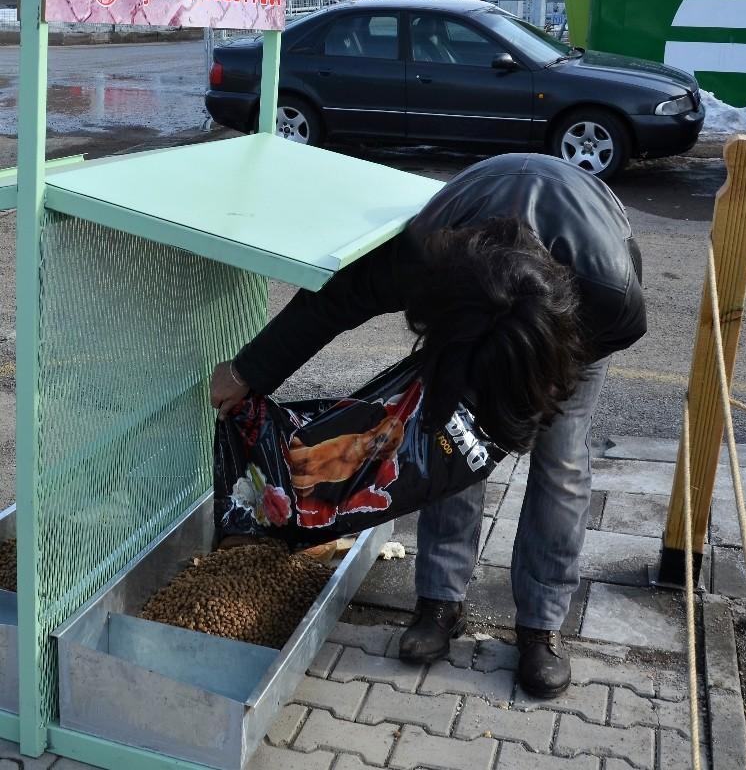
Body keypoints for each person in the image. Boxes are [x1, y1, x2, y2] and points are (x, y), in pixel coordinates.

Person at [210, 153, 646, 699]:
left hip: (570, 325)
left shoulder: (610, 293)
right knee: (446, 446)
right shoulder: (425, 255)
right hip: (478, 259)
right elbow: (335, 301)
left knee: (558, 457)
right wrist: (248, 370)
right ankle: (439, 600)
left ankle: (541, 625)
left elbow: (615, 337)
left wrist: (529, 407)